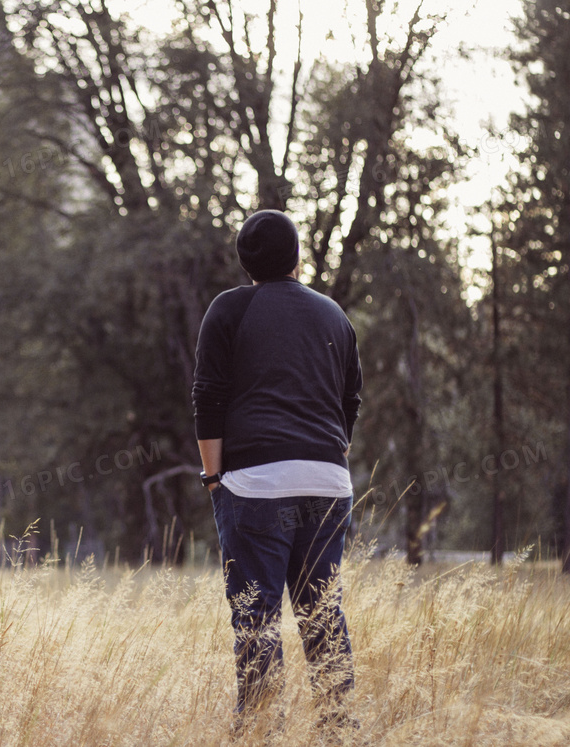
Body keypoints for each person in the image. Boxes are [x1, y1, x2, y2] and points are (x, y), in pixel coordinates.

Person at [191, 209, 362, 734]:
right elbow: (350, 401)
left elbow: (208, 399)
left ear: (245, 261)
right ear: (297, 256)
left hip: (255, 487)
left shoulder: (228, 309)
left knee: (258, 619)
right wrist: (328, 457)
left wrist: (214, 480)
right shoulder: (334, 314)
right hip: (329, 484)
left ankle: (262, 734)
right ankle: (340, 732)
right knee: (321, 615)